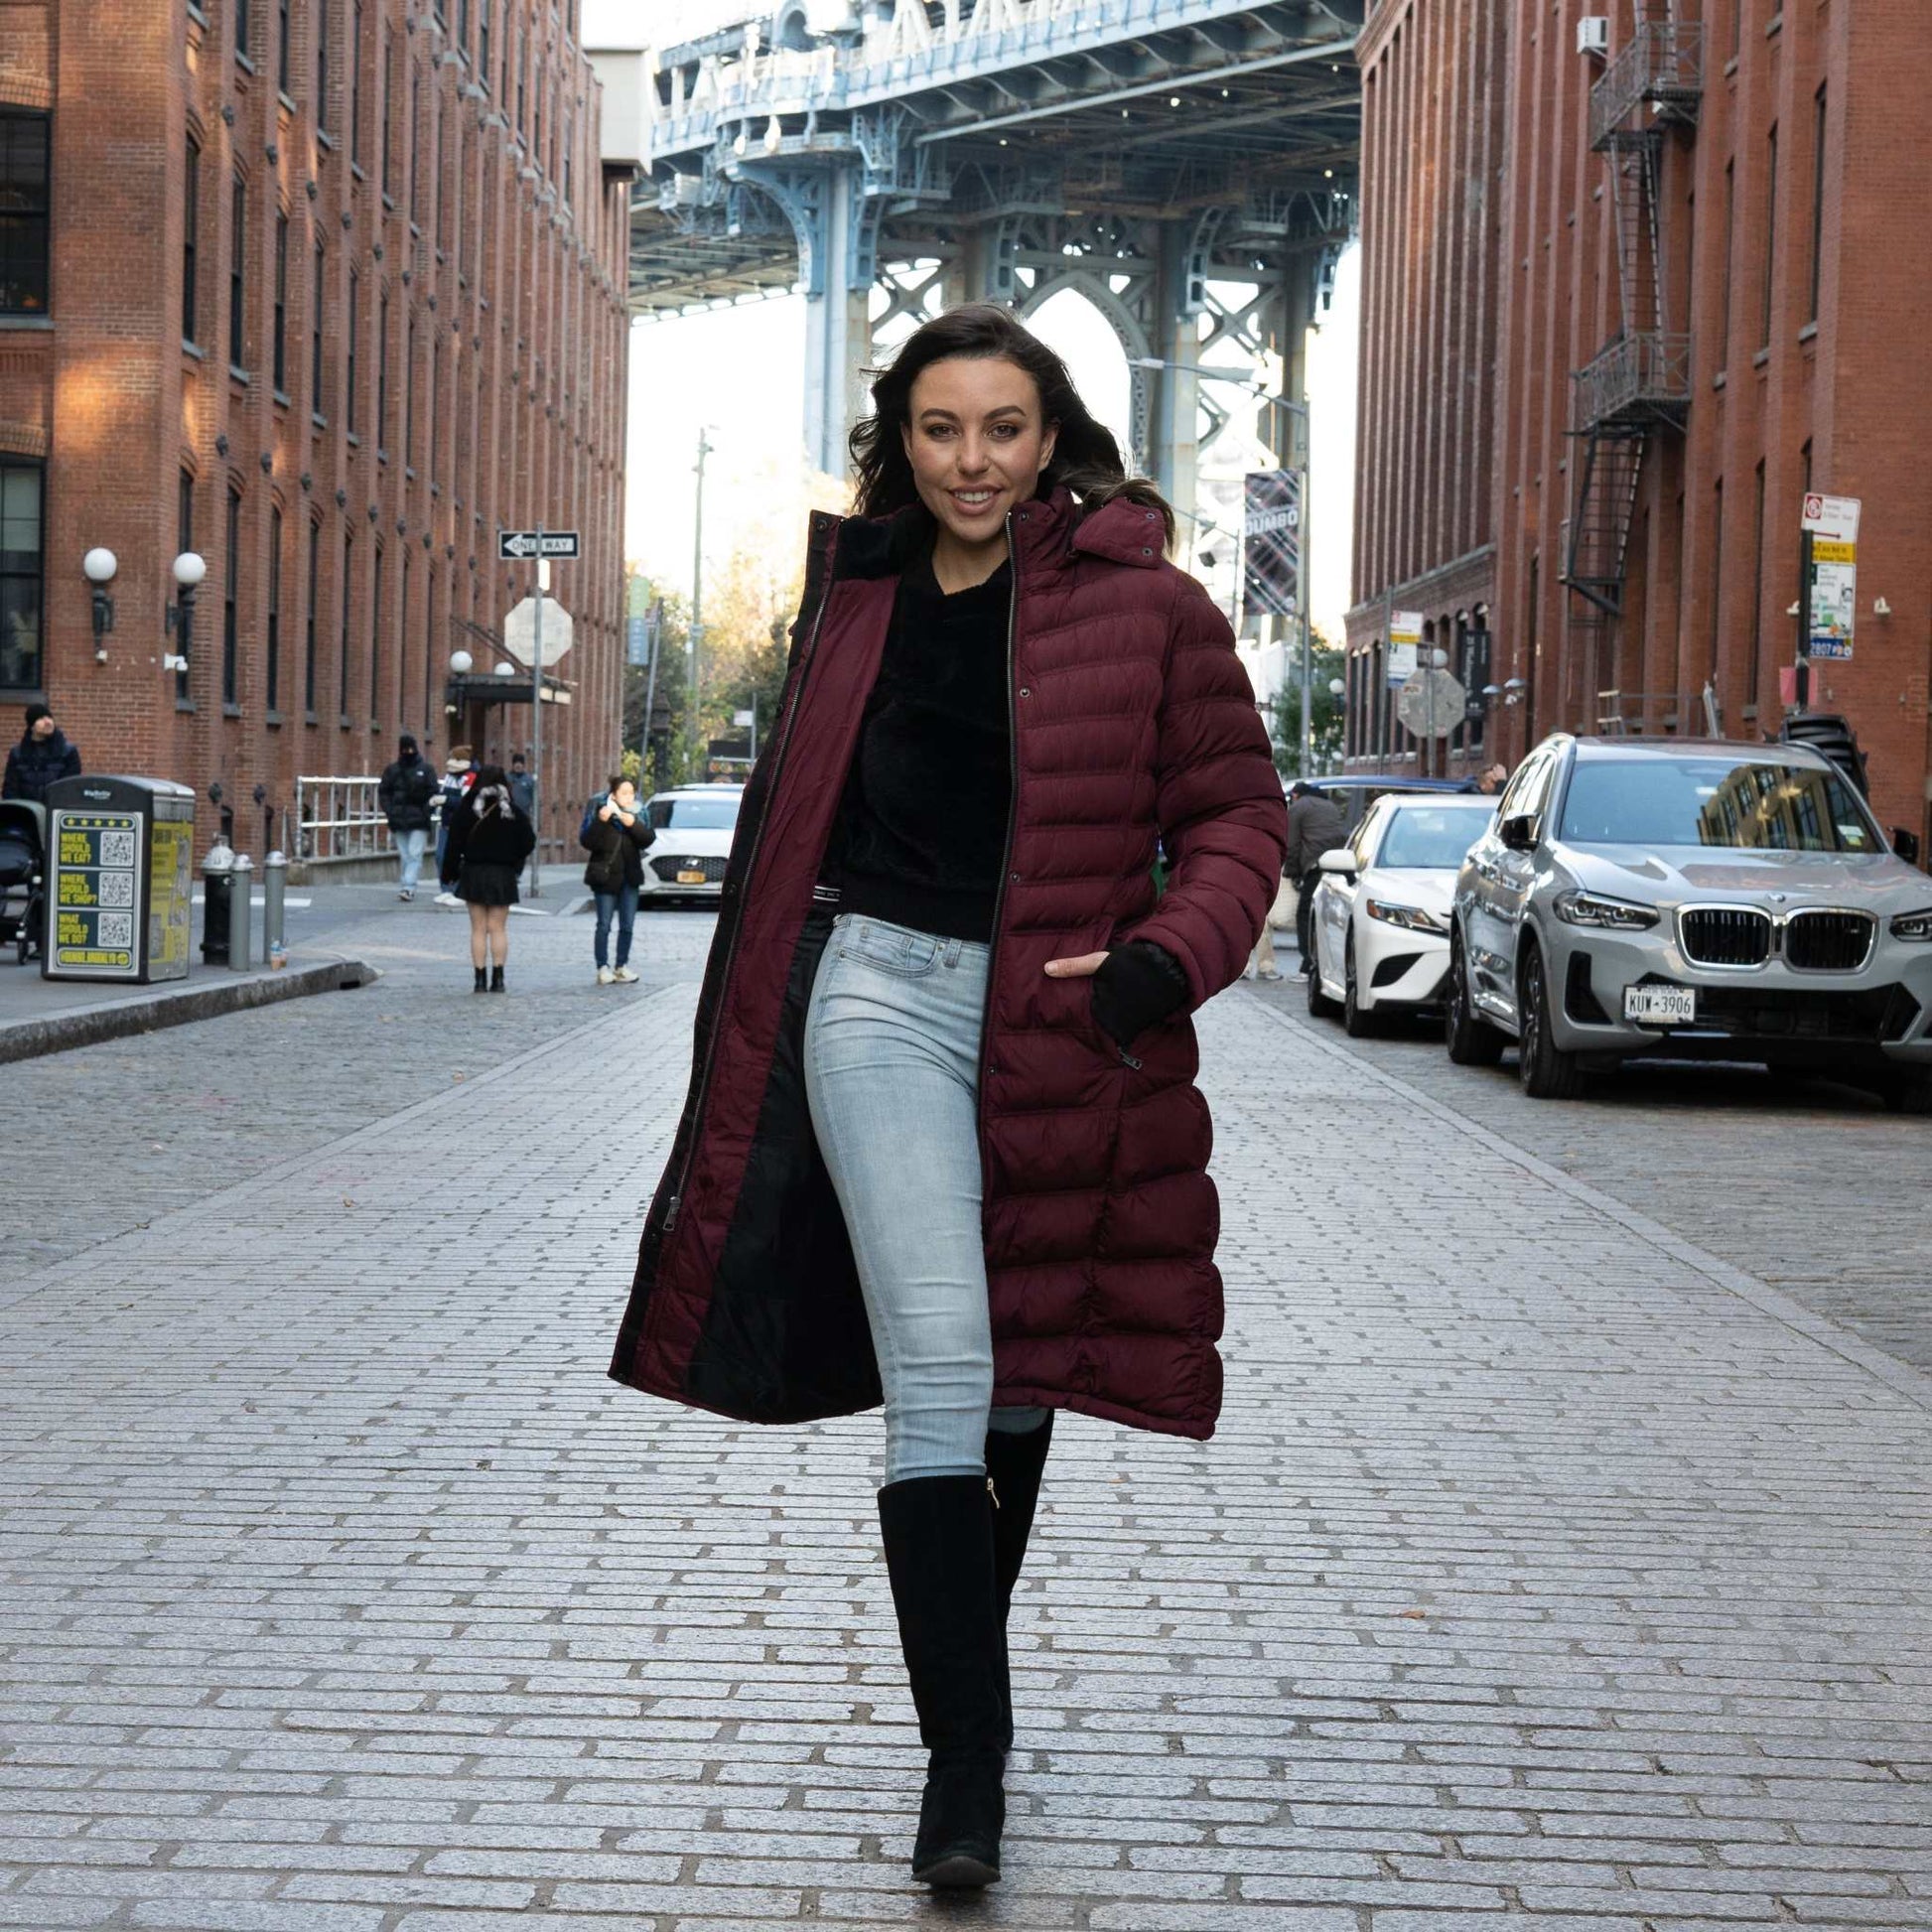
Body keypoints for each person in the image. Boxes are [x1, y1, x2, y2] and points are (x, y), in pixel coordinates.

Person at [607, 304, 1287, 1891]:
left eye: (999, 427)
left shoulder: (1155, 609)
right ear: (898, 441)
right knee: (946, 1352)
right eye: (937, 428)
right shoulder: (853, 601)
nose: (969, 459)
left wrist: (1158, 960)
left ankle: (963, 1714)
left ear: (1047, 437)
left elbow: (1242, 816)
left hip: (1060, 1020)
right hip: (880, 999)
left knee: (1016, 1380)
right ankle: (962, 1768)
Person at [442, 762, 534, 992]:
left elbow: (453, 843)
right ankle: (499, 979)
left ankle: (479, 980)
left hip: (474, 871)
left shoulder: (467, 807)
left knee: (478, 929)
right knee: (498, 928)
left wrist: (450, 872)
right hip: (502, 873)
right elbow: (528, 841)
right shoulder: (511, 809)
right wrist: (513, 859)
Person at [579, 775, 654, 985]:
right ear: (613, 795)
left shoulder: (640, 814)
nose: (628, 797)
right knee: (603, 924)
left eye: (631, 793)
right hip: (605, 878)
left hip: (630, 878)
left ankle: (621, 966)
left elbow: (648, 839)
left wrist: (633, 825)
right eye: (624, 793)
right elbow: (587, 841)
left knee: (627, 925)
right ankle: (602, 967)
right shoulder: (601, 812)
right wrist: (601, 822)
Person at [1284, 779, 1348, 976]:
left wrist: (1292, 873)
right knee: (1328, 917)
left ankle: (1308, 963)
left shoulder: (1298, 808)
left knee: (1304, 914)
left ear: (1296, 795)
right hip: (1339, 865)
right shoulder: (1329, 805)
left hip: (1315, 865)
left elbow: (1292, 844)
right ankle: (1327, 962)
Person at [377, 732, 437, 900]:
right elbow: (384, 792)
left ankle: (408, 886)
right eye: (406, 749)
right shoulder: (394, 770)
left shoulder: (425, 770)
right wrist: (390, 810)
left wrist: (426, 811)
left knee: (413, 853)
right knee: (406, 854)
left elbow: (433, 792)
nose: (409, 752)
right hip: (400, 817)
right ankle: (406, 886)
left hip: (417, 818)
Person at [3, 703, 81, 803]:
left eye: (49, 717)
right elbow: (10, 790)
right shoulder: (17, 754)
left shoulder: (68, 752)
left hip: (55, 813)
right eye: (41, 718)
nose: (48, 722)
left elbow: (70, 788)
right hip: (27, 813)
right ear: (32, 726)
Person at [434, 748, 475, 905]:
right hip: (446, 824)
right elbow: (444, 794)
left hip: (461, 826)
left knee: (457, 859)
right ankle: (445, 890)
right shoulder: (449, 777)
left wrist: (445, 800)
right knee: (440, 856)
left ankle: (458, 891)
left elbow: (465, 802)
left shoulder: (470, 778)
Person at [508, 751, 536, 820]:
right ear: (513, 764)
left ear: (523, 765)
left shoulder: (529, 780)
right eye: (515, 763)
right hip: (510, 815)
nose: (518, 765)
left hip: (524, 815)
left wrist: (536, 820)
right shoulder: (507, 778)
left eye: (520, 763)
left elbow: (535, 799)